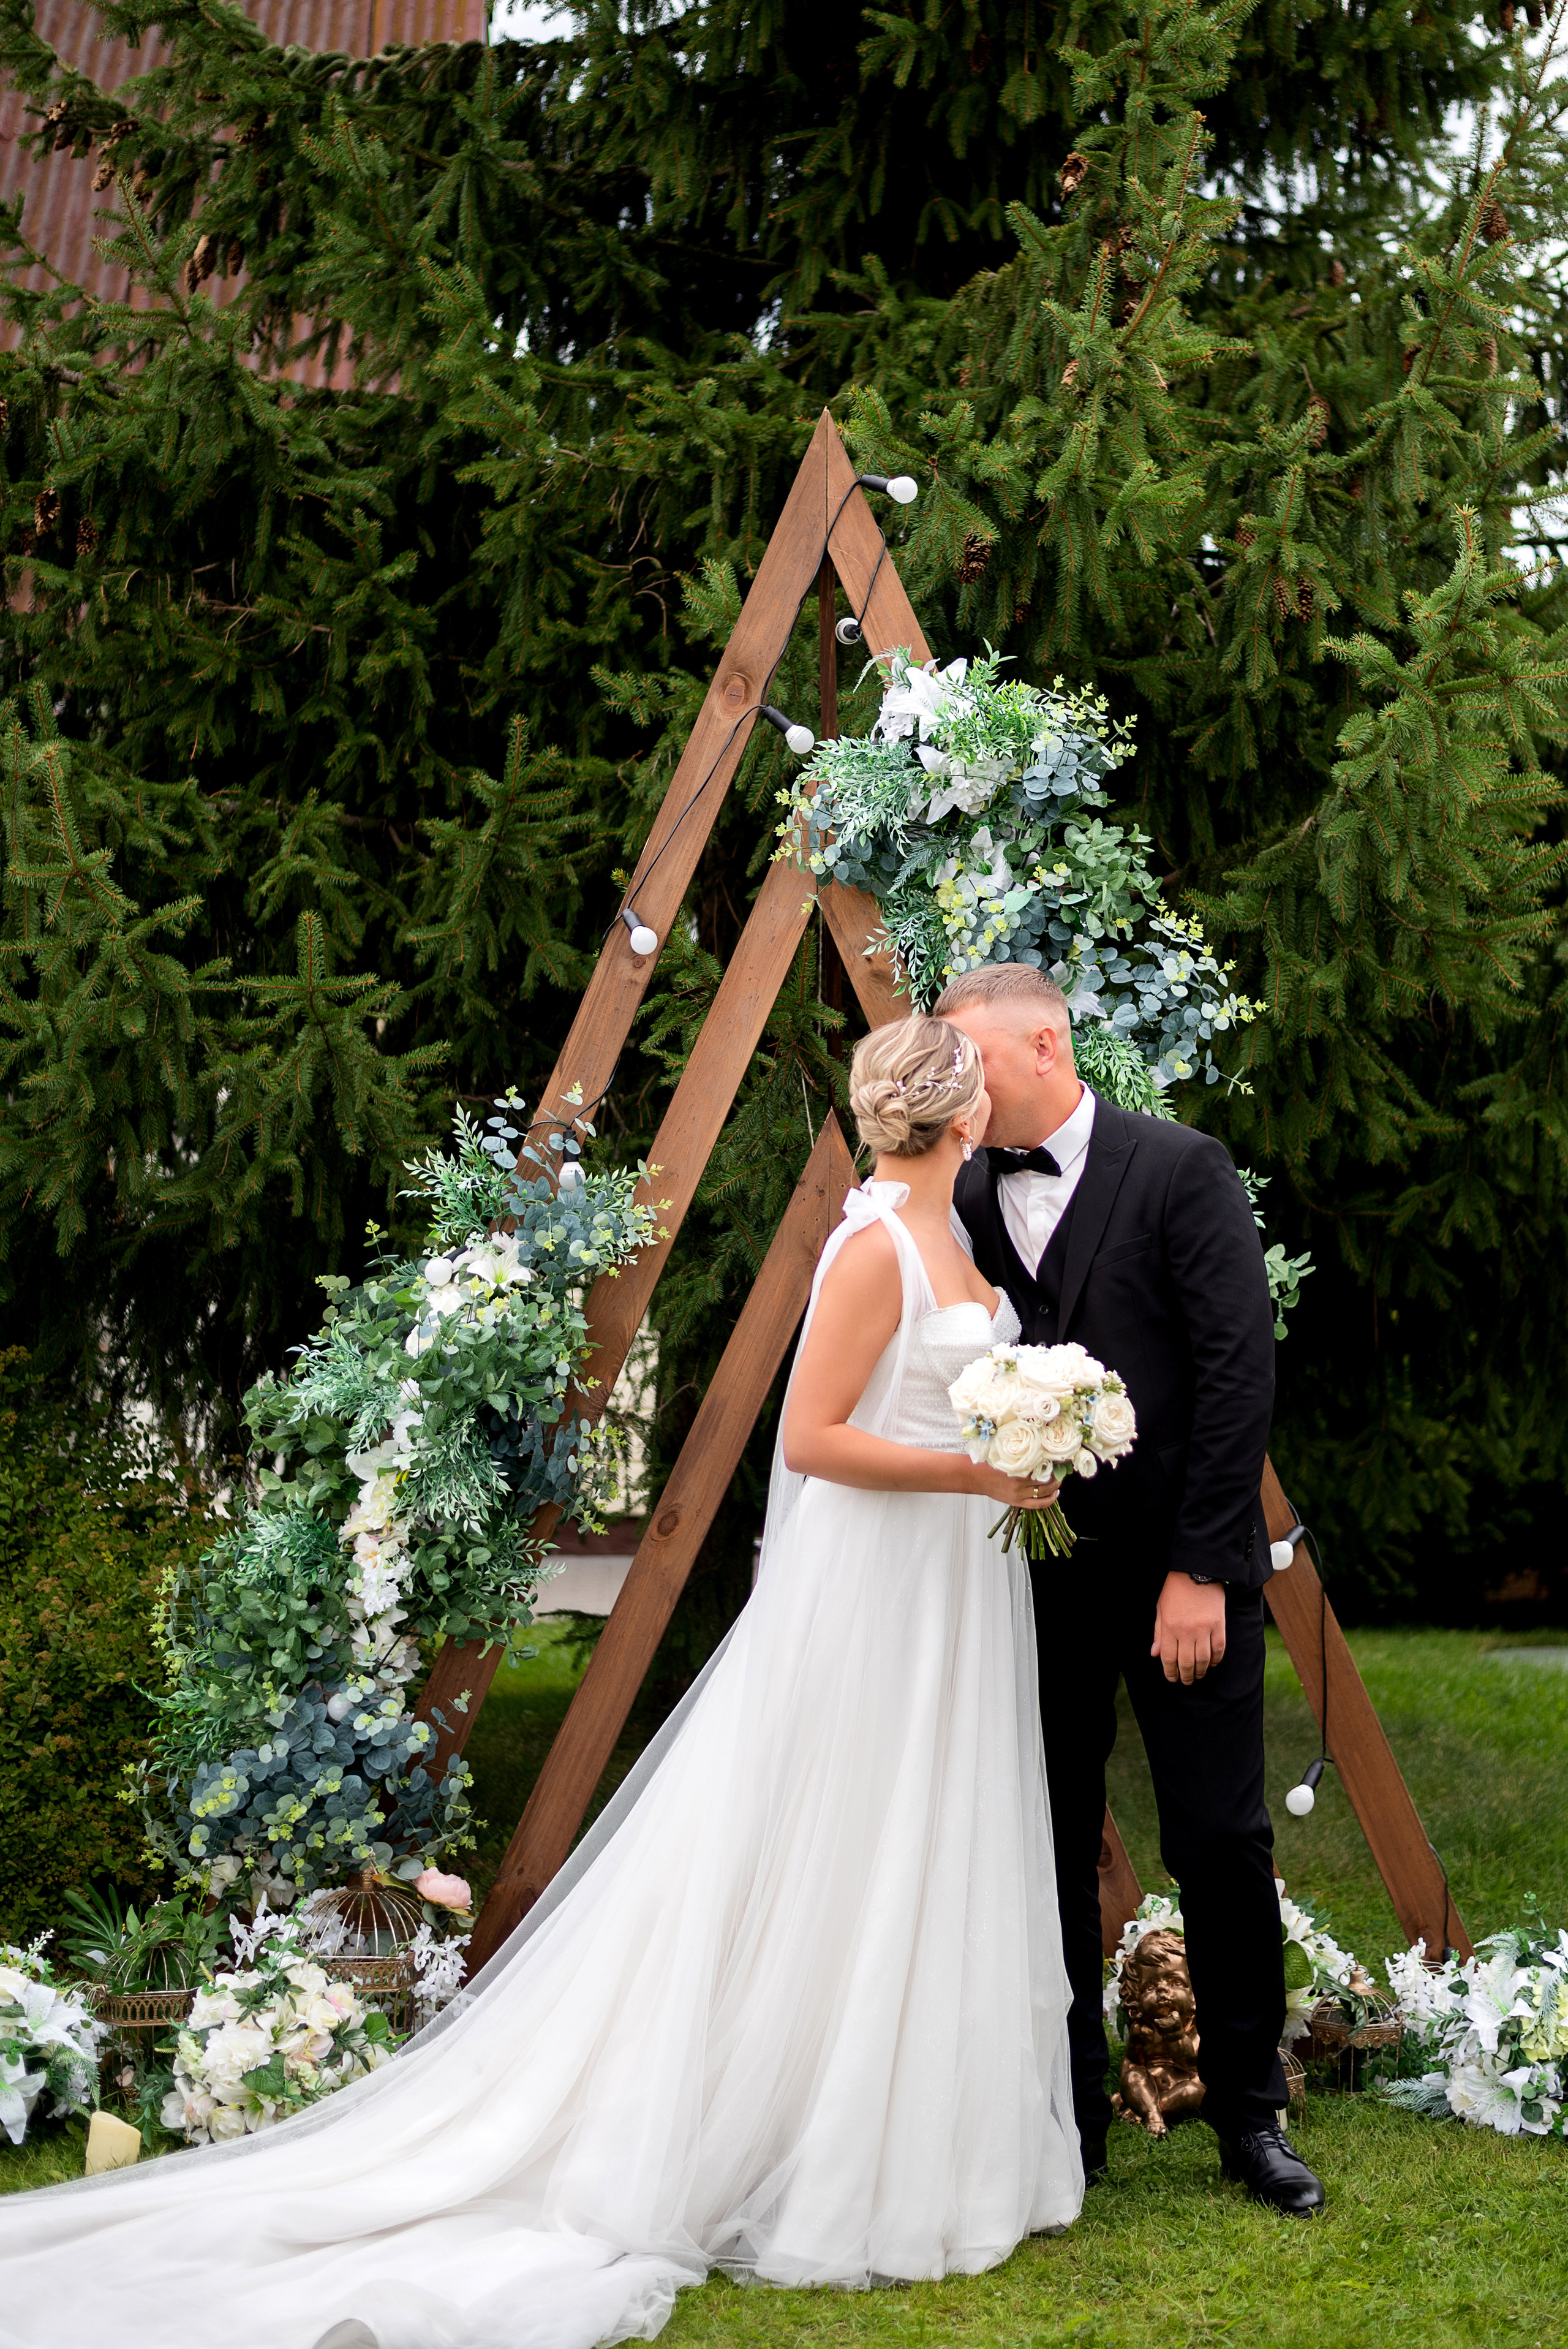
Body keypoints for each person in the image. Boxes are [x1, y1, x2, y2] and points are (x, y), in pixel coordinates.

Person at [0, 1016, 1082, 2349]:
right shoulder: (870, 1247)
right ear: (962, 1114)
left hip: (953, 1594)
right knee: (851, 1837)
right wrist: (975, 1470)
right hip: (882, 1593)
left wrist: (1025, 1434)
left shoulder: (954, 1238)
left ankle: (928, 2137)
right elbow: (810, 1439)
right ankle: (826, 2145)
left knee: (930, 1836)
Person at [937, 963, 1325, 2218]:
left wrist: (1201, 1569)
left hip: (1181, 1579)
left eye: (970, 1060)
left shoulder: (1178, 1168)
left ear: (1041, 1042)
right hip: (1029, 1586)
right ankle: (1065, 2119)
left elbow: (1233, 1376)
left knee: (1216, 1839)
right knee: (1040, 1840)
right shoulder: (954, 1192)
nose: (955, 1085)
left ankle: (1250, 2119)